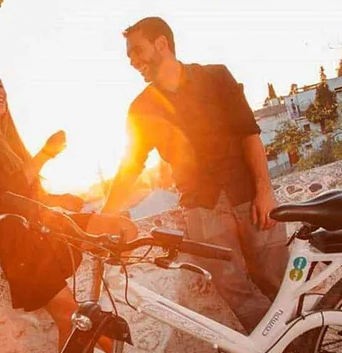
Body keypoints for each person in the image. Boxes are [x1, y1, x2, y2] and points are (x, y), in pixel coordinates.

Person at [90, 17, 288, 333]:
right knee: (237, 293)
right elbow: (130, 166)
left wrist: (265, 191)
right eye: (129, 57)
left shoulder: (216, 76)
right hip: (202, 209)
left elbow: (249, 134)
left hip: (249, 196)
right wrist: (105, 214)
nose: (134, 62)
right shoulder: (141, 109)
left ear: (162, 44)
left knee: (279, 282)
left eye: (137, 51)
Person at [0, 67, 136, 353]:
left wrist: (60, 200)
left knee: (123, 227)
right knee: (70, 319)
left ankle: (111, 302)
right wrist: (45, 154)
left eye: (0, 85)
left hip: (46, 228)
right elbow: (4, 196)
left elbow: (32, 195)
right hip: (21, 247)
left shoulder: (11, 143)